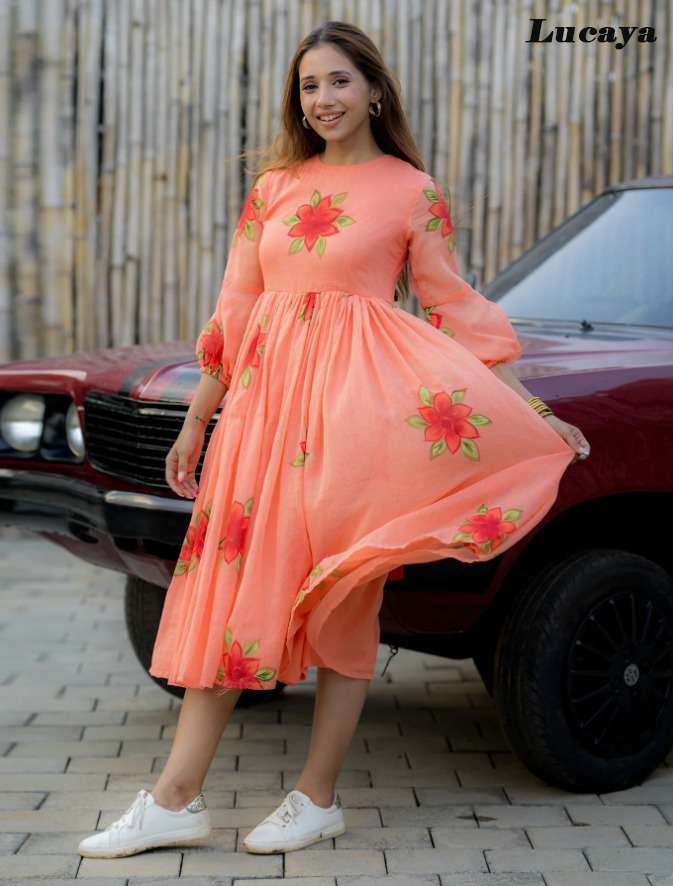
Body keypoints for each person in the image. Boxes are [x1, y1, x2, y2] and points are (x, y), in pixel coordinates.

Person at [78, 20, 590, 860]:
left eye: (339, 81)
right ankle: (175, 799)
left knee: (347, 598)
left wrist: (527, 408)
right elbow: (236, 308)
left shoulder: (411, 190)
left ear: (374, 91)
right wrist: (199, 419)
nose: (324, 99)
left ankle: (315, 798)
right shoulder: (275, 187)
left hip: (354, 423)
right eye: (310, 85)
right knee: (230, 593)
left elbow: (451, 309)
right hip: (260, 422)